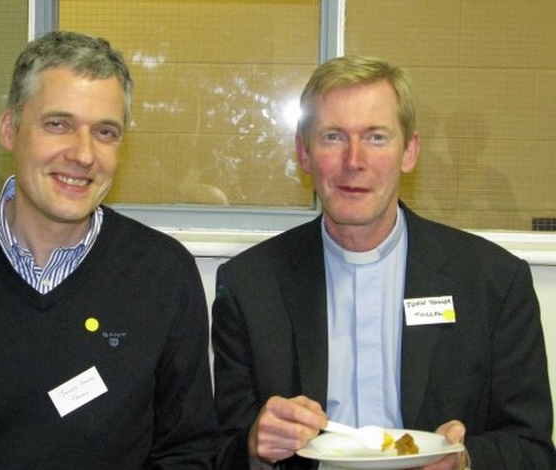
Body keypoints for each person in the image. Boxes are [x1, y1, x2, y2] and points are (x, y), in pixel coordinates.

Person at [211, 55, 555, 469]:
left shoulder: (493, 283)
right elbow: (216, 451)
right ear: (304, 154)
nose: (353, 160)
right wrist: (254, 446)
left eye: (376, 137)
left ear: (409, 152)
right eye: (333, 137)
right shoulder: (250, 287)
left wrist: (465, 461)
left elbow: (533, 449)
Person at [0, 31, 219, 468]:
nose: (83, 154)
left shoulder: (163, 275)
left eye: (105, 132)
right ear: (9, 128)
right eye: (58, 124)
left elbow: (188, 449)